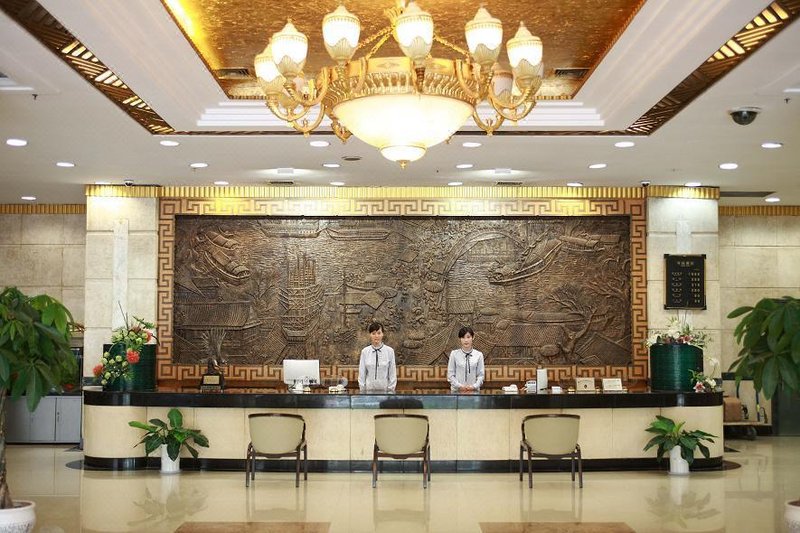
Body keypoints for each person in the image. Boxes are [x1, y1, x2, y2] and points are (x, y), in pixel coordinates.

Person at [358, 322, 397, 392]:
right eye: (373, 333)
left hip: (385, 391)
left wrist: (390, 391)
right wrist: (363, 391)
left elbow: (392, 374)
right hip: (368, 391)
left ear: (382, 334)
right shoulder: (365, 351)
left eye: (379, 333)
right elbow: (362, 374)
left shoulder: (390, 351)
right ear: (370, 335)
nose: (376, 336)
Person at [447, 326, 485, 392]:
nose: (466, 340)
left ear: (473, 337)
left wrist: (473, 387)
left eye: (468, 337)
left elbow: (481, 375)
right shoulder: (454, 354)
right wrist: (460, 386)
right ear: (460, 339)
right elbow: (450, 375)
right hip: (457, 392)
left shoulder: (479, 355)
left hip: (473, 391)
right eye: (463, 337)